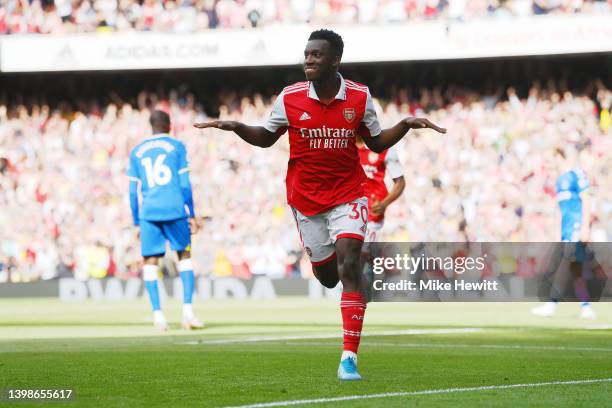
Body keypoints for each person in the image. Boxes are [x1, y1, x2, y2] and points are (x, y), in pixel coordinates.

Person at [194, 29, 446, 380]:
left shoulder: (359, 97)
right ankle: (327, 271)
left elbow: (374, 143)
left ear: (335, 60)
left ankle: (348, 358)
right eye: (307, 54)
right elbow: (267, 137)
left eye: (316, 55)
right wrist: (238, 127)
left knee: (350, 264)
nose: (308, 60)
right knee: (328, 277)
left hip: (348, 193)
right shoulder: (290, 97)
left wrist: (403, 125)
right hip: (306, 200)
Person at [128, 110, 204, 331]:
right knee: (185, 256)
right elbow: (185, 184)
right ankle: (188, 314)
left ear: (150, 126)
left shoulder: (137, 151)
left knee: (150, 263)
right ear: (169, 125)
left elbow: (132, 192)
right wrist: (191, 213)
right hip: (174, 210)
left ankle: (158, 317)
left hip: (149, 213)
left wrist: (135, 222)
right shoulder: (177, 146)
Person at [531, 148, 596, 319]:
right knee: (575, 270)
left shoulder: (576, 174)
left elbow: (586, 199)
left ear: (560, 156)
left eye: (550, 159)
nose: (548, 164)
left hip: (576, 226)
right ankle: (586, 307)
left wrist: (585, 227)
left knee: (564, 262)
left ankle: (551, 304)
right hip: (567, 229)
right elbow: (562, 210)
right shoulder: (559, 181)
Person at [357, 134, 405, 300]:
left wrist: (384, 204)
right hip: (347, 209)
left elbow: (400, 182)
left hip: (373, 211)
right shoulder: (343, 145)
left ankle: (362, 291)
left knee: (362, 252)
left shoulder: (385, 148)